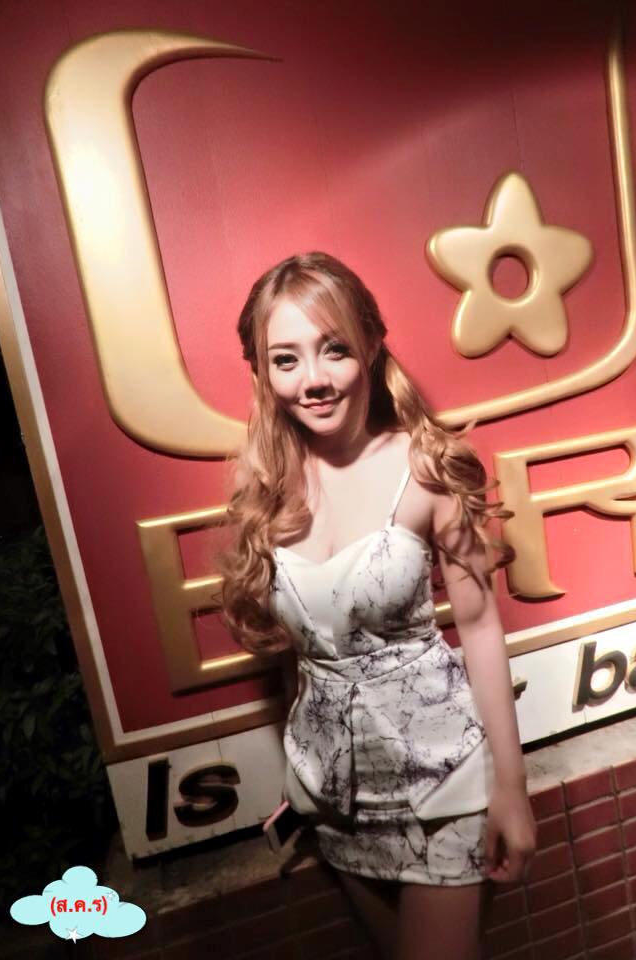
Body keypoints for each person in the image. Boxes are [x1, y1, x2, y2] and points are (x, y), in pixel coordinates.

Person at [219, 251, 536, 960]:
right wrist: (302, 768)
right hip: (332, 797)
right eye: (286, 359)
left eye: (333, 348)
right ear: (262, 373)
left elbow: (481, 627)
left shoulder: (426, 467)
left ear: (369, 345)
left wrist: (512, 791)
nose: (313, 378)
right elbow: (298, 654)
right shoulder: (263, 487)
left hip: (443, 784)